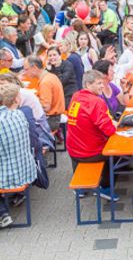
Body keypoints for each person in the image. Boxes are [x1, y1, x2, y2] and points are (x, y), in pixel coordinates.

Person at [65, 70, 118, 201]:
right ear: (88, 85)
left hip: (72, 150)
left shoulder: (76, 96)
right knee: (114, 153)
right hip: (90, 152)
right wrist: (115, 124)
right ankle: (105, 188)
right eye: (99, 83)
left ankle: (81, 188)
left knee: (76, 141)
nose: (102, 86)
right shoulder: (96, 102)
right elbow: (109, 130)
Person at [0, 82, 37, 228]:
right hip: (26, 169)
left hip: (11, 176)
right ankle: (3, 213)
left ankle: (3, 214)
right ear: (16, 99)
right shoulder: (20, 114)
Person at [23, 55, 65, 134]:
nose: (25, 73)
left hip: (50, 120)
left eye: (26, 70)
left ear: (35, 67)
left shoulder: (45, 82)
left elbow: (46, 107)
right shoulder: (50, 76)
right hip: (55, 118)